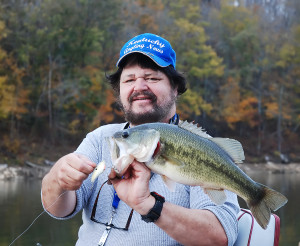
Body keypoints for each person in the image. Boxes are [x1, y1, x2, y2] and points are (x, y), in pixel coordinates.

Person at [41, 33, 239, 246]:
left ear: (175, 88)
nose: (139, 86)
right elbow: (59, 209)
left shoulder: (201, 149)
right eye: (129, 79)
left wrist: (150, 206)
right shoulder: (102, 139)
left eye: (152, 78)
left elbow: (220, 236)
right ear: (120, 90)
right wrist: (57, 179)